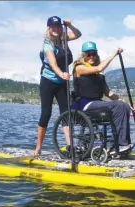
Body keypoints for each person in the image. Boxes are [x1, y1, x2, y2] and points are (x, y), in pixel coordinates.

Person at [71, 41, 135, 155]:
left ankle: (121, 145)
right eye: (88, 54)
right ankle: (121, 144)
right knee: (118, 106)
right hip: (84, 104)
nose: (91, 56)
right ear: (83, 55)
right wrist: (114, 54)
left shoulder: (100, 75)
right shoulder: (79, 68)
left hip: (97, 104)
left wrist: (123, 102)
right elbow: (99, 68)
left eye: (94, 53)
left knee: (122, 106)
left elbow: (108, 93)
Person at [34, 16, 82, 156]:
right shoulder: (48, 44)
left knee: (65, 114)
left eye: (58, 26)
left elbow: (78, 34)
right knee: (46, 114)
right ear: (49, 28)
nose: (56, 29)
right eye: (53, 27)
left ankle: (69, 146)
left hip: (62, 82)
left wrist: (71, 25)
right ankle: (38, 148)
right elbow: (53, 63)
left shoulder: (64, 37)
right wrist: (62, 75)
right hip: (48, 81)